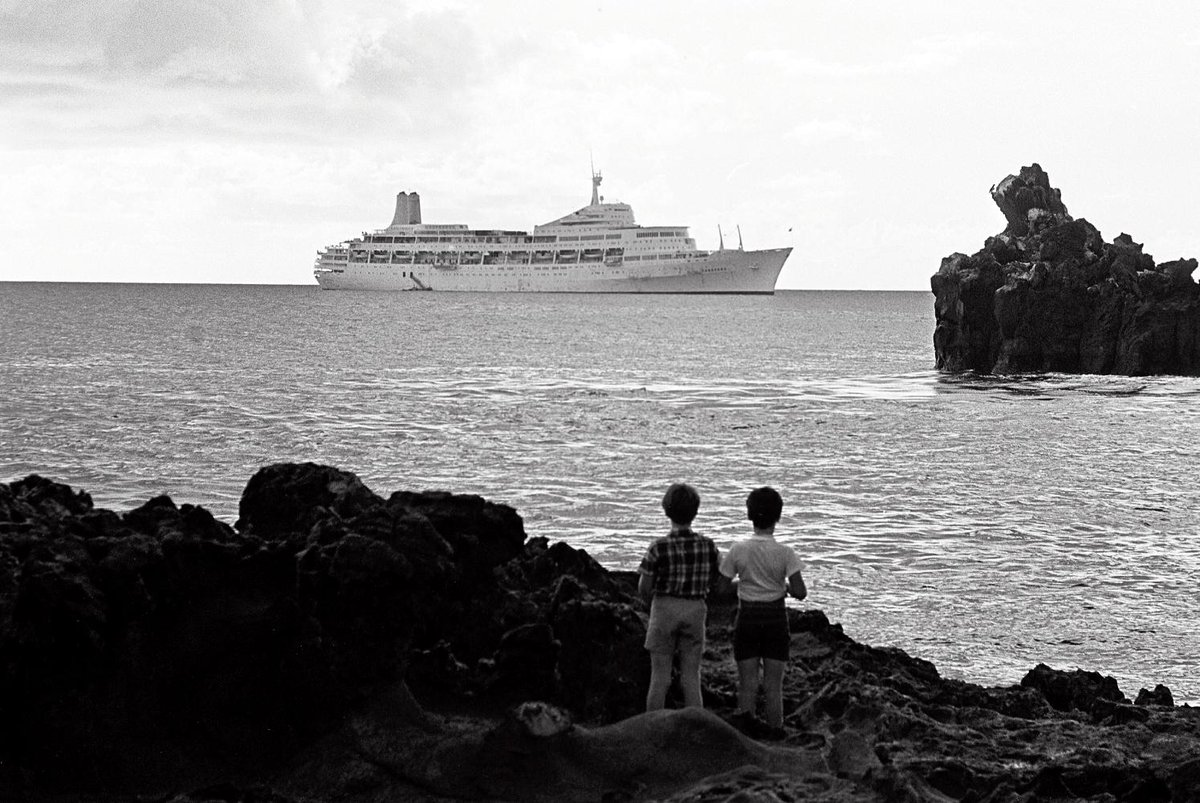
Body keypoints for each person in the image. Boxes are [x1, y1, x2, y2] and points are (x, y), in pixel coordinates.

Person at [719, 486, 806, 734]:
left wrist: (744, 582)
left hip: (747, 617)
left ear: (749, 515)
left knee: (746, 683)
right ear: (778, 517)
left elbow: (722, 588)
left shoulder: (738, 549)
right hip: (776, 619)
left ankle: (745, 734)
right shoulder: (785, 553)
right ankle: (775, 732)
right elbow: (800, 592)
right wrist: (783, 587)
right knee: (773, 686)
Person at [638, 482, 721, 712]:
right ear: (695, 512)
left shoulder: (658, 547)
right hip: (695, 608)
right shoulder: (707, 545)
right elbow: (716, 579)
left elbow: (644, 587)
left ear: (666, 511)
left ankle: (654, 725)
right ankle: (696, 725)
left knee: (660, 676)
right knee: (691, 676)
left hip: (665, 607)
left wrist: (649, 603)